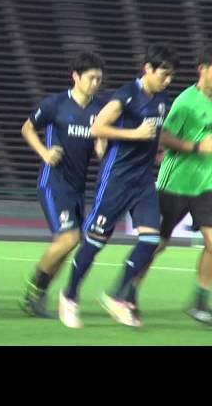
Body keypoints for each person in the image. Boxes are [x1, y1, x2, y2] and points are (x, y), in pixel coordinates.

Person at [60, 44, 179, 328]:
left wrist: (158, 150)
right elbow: (97, 128)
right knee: (95, 241)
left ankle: (116, 295)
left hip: (143, 182)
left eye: (171, 75)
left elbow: (156, 132)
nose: (168, 80)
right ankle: (69, 296)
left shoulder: (162, 99)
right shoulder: (125, 95)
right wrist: (135, 134)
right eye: (164, 74)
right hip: (116, 180)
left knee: (151, 240)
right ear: (147, 69)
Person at [127, 45, 212, 325]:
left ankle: (200, 301)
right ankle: (129, 292)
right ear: (203, 69)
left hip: (205, 186)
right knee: (156, 244)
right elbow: (165, 137)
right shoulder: (187, 101)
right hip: (174, 183)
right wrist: (198, 146)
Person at [17, 52, 105, 318]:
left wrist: (102, 145)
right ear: (75, 77)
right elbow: (26, 128)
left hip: (78, 187)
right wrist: (44, 153)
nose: (95, 84)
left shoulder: (99, 110)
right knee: (69, 238)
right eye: (91, 78)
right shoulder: (55, 104)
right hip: (53, 182)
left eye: (99, 79)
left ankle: (37, 296)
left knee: (66, 243)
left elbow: (102, 144)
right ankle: (34, 287)